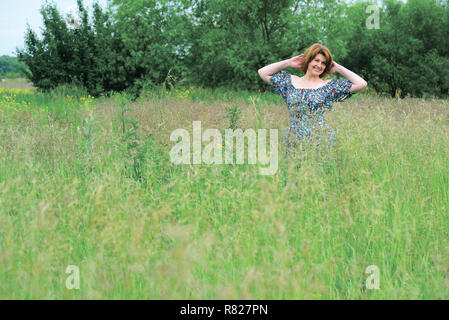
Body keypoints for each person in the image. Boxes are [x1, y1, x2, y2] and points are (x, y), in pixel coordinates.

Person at [258, 43, 367, 154]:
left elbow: (361, 84)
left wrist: (338, 68)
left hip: (320, 140)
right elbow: (262, 72)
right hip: (293, 140)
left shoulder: (328, 87)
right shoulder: (290, 82)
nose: (319, 65)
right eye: (316, 60)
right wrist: (288, 62)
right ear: (308, 60)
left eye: (323, 63)